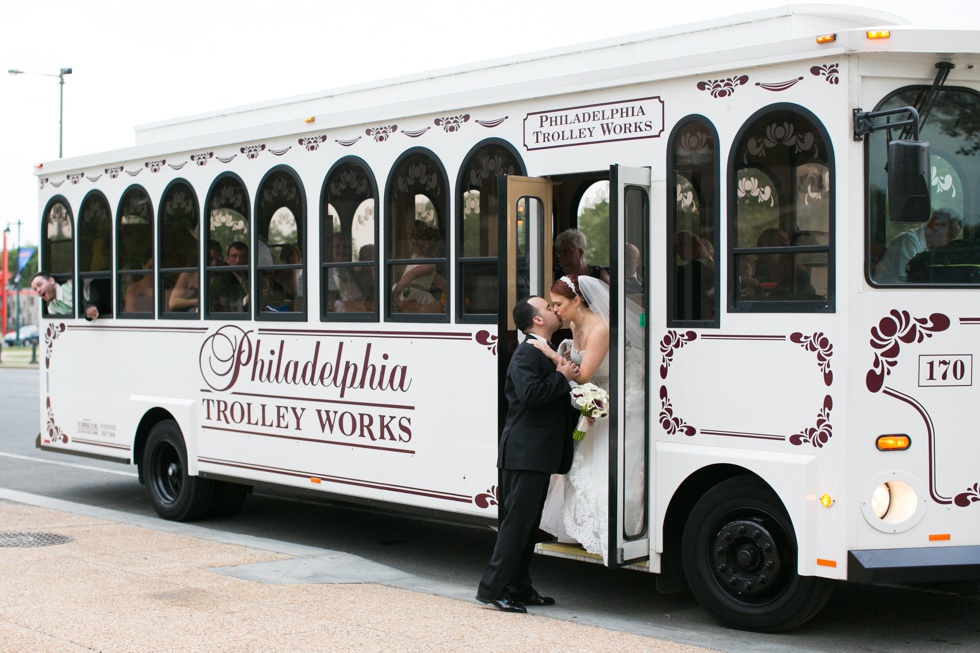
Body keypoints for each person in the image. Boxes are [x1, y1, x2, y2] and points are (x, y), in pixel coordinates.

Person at [477, 296, 580, 613]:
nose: (554, 310)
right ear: (536, 320)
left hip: (535, 453)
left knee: (527, 525)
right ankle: (492, 589)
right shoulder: (526, 352)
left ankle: (519, 588)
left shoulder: (545, 350)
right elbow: (530, 395)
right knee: (516, 525)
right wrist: (563, 377)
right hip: (524, 452)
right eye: (548, 308)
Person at [531, 274, 617, 563]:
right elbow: (577, 361)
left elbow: (585, 374)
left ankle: (605, 529)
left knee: (596, 463)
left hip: (603, 397)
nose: (554, 310)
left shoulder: (600, 327)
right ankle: (579, 529)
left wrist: (552, 355)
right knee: (578, 462)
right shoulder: (572, 324)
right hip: (587, 400)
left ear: (577, 301)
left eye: (558, 304)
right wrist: (567, 349)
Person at [875, 209, 961, 283]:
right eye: (949, 236)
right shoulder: (908, 240)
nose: (949, 243)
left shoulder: (931, 248)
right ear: (936, 225)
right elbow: (908, 279)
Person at [392, 223, 442, 312]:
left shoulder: (417, 259)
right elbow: (408, 276)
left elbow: (439, 281)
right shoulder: (429, 265)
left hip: (408, 296)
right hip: (408, 297)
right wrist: (394, 296)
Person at [754, 227, 815, 296]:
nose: (766, 250)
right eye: (762, 245)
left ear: (784, 248)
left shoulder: (798, 274)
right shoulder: (755, 270)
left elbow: (803, 300)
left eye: (771, 245)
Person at [169, 240, 223, 312]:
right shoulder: (189, 274)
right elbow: (173, 303)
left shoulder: (223, 276)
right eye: (211, 259)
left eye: (217, 259)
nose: (214, 263)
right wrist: (199, 301)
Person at [674, 230, 714, 320]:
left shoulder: (725, 262)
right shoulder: (684, 274)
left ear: (702, 241)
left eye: (690, 238)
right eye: (681, 244)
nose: (688, 243)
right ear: (681, 256)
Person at [210, 241, 249, 312]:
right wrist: (246, 300)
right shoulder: (221, 280)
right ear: (227, 259)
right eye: (234, 256)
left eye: (242, 257)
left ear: (248, 260)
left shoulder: (252, 276)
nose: (238, 261)